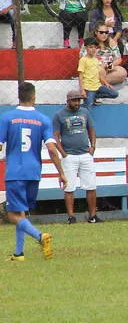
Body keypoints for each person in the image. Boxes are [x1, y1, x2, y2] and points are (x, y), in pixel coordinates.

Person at [0, 82, 67, 261]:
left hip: (15, 172)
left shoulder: (7, 118)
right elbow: (52, 149)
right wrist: (61, 172)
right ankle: (19, 253)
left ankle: (40, 237)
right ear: (34, 97)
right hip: (34, 172)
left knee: (12, 214)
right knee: (21, 211)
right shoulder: (43, 119)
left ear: (19, 96)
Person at [53, 90, 103, 224]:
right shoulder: (59, 115)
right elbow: (55, 136)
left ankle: (93, 216)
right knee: (69, 187)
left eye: (78, 100)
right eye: (74, 100)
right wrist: (63, 153)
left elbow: (91, 129)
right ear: (68, 101)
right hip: (69, 156)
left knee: (91, 186)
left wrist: (92, 147)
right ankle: (71, 216)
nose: (77, 103)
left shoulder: (85, 112)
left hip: (85, 154)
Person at [78, 37, 118, 107]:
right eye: (90, 47)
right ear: (86, 48)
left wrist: (106, 83)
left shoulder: (96, 60)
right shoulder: (83, 60)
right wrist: (82, 90)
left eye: (95, 47)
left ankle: (93, 96)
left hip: (98, 86)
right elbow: (80, 76)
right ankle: (85, 102)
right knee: (88, 106)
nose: (93, 49)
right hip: (88, 87)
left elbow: (99, 74)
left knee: (114, 93)